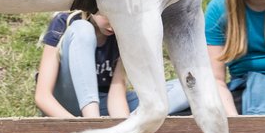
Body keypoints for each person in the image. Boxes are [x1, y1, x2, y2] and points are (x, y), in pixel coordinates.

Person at [34, 11, 189, 118]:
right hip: (66, 103)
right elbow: (42, 96)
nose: (113, 25)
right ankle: (92, 121)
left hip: (102, 104)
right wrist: (81, 126)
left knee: (187, 89)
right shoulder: (66, 22)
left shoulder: (122, 34)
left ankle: (127, 125)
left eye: (119, 16)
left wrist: (122, 128)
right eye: (107, 15)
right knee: (83, 29)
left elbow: (116, 93)